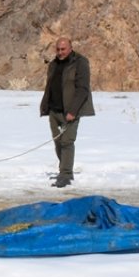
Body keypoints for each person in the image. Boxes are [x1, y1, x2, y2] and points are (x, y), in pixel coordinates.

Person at [38, 37, 95, 188]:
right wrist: (46, 106)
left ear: (70, 48)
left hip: (70, 111)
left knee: (67, 141)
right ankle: (63, 170)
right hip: (54, 110)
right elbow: (50, 86)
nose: (60, 52)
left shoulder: (80, 62)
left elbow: (83, 89)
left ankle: (66, 175)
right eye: (58, 49)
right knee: (57, 142)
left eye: (63, 49)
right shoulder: (53, 64)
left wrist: (73, 110)